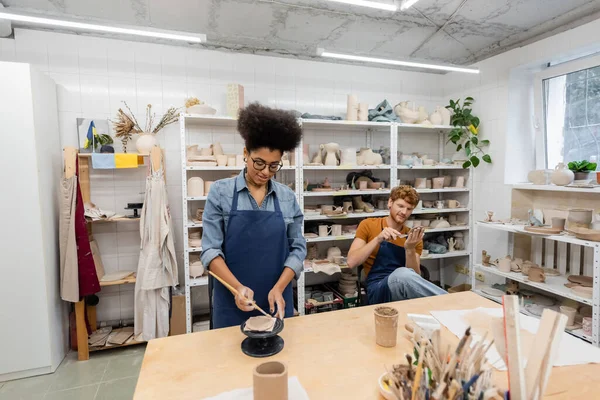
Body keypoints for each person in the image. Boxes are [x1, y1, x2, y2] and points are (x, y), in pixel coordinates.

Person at [201, 103, 306, 329]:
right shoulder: (221, 192)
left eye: (273, 165)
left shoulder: (287, 197)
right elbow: (210, 250)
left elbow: (298, 248)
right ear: (245, 153)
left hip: (276, 300)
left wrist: (279, 288)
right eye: (259, 162)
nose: (265, 172)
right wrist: (237, 288)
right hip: (232, 301)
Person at [347, 185, 446, 305]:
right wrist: (377, 239)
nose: (404, 212)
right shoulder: (368, 224)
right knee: (402, 274)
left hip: (403, 290)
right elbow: (351, 262)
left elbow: (414, 276)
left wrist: (410, 249)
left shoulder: (413, 237)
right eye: (400, 206)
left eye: (409, 209)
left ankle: (449, 306)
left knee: (404, 275)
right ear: (390, 202)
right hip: (378, 290)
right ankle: (452, 303)